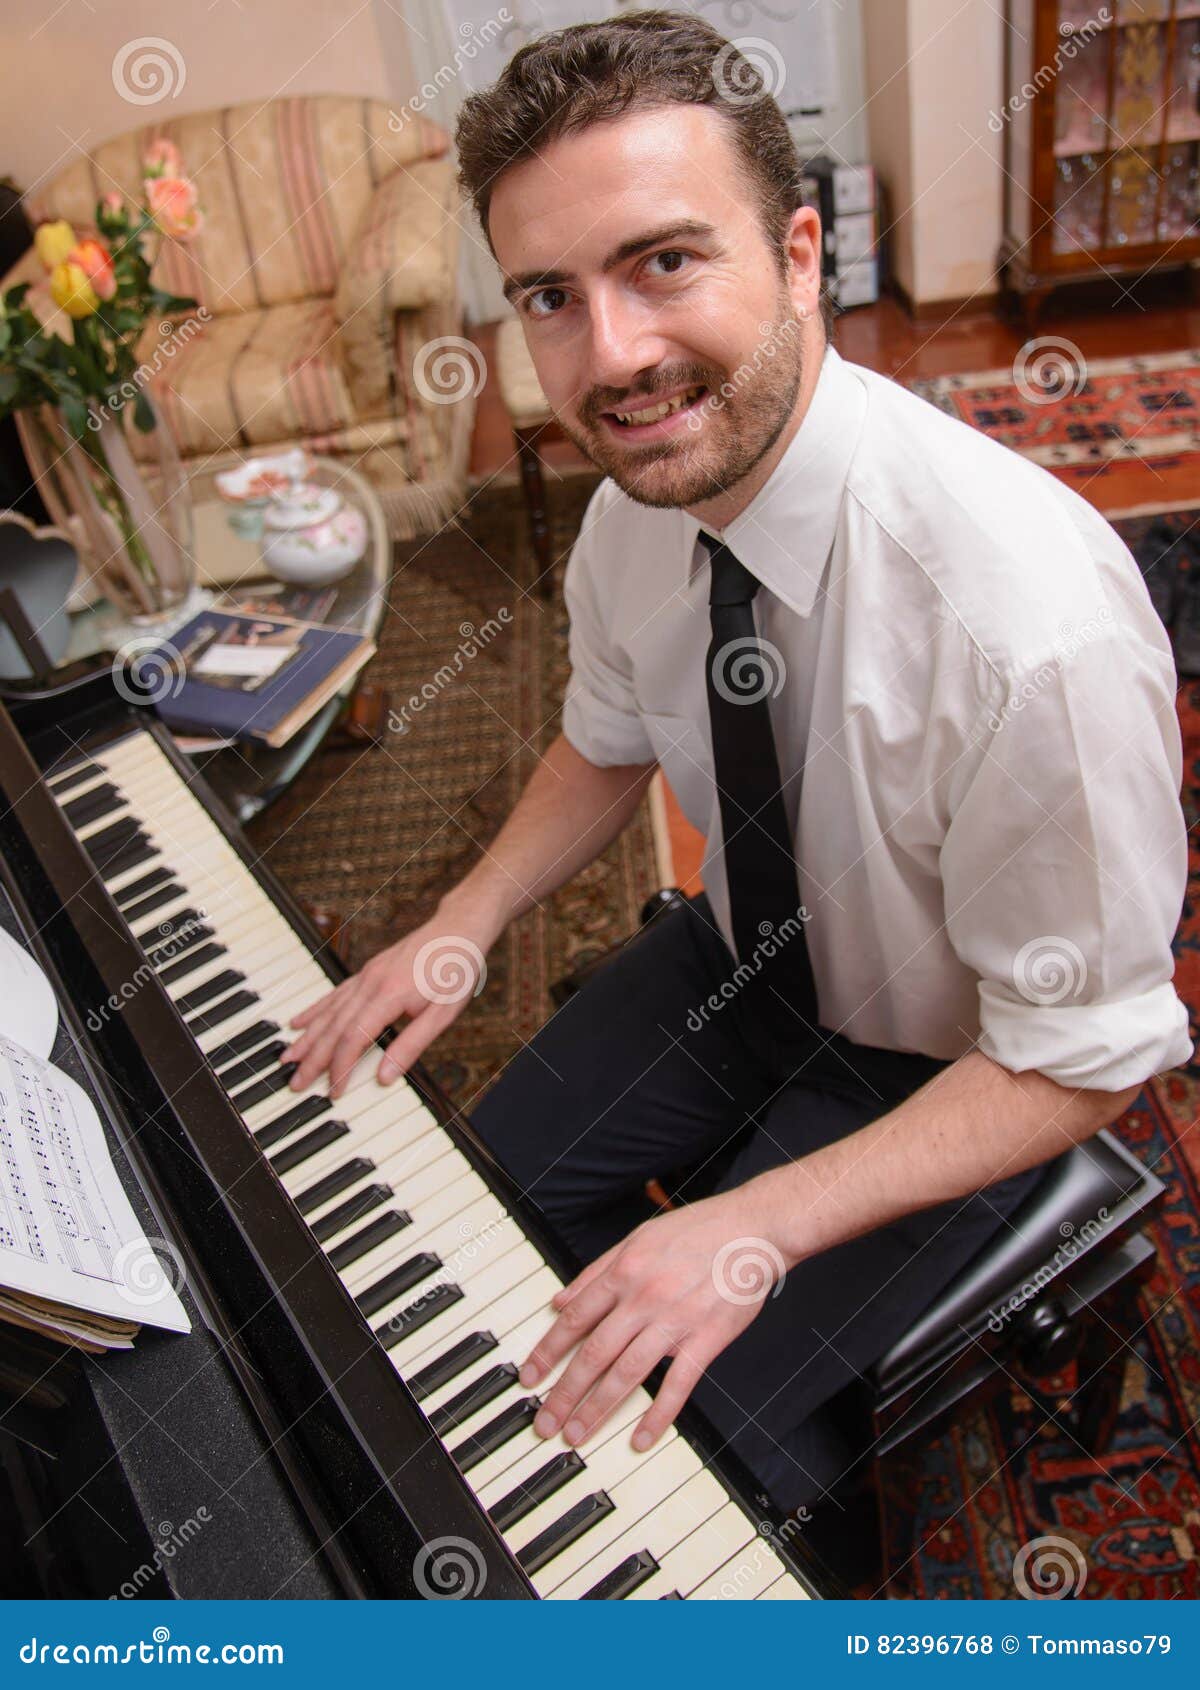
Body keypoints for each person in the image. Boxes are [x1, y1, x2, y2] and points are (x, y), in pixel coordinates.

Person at [283, 11, 1191, 1514]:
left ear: (799, 253)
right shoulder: (638, 512)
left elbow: (1085, 1054)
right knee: (452, 1210)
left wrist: (754, 1217)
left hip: (957, 1073)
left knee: (673, 1464)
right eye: (550, 298)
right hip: (738, 965)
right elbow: (605, 737)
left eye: (664, 262)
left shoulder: (1032, 628)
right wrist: (466, 919)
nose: (615, 357)